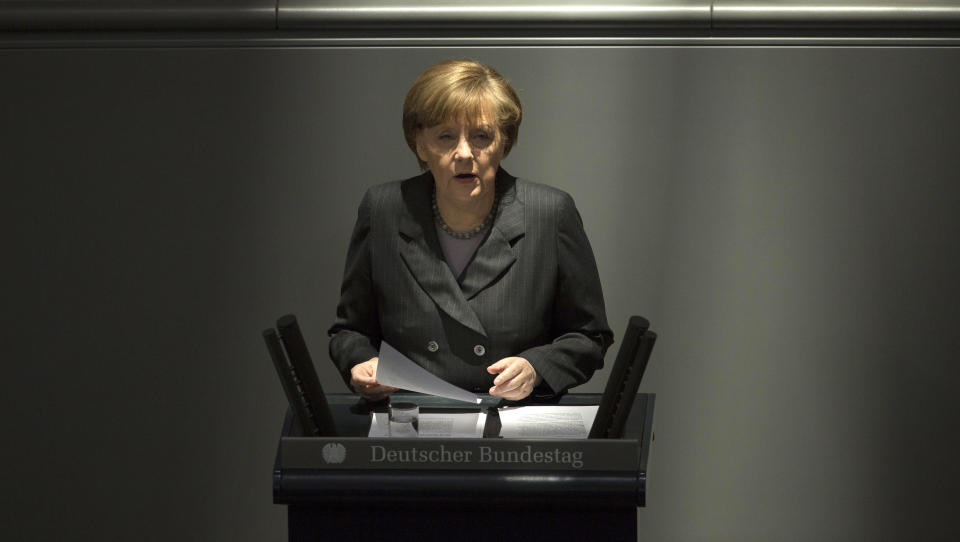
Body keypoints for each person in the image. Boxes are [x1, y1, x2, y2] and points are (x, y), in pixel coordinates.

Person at [328, 58, 612, 402]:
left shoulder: (549, 214)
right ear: (420, 144)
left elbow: (589, 336)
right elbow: (350, 331)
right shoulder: (384, 209)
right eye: (445, 136)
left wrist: (536, 367)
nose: (464, 152)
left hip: (510, 428)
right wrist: (361, 363)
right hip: (411, 427)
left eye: (481, 136)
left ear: (503, 143)